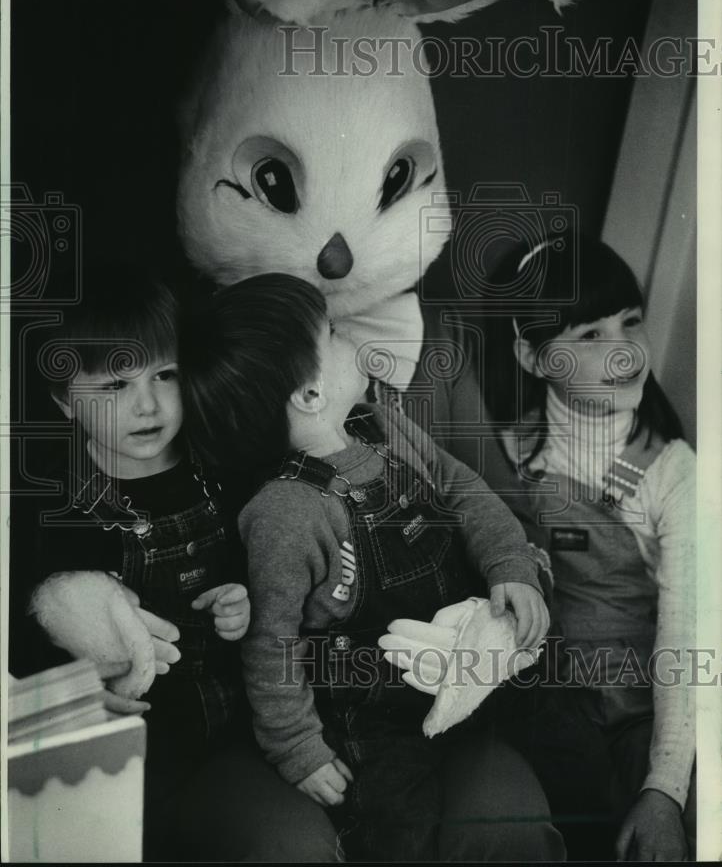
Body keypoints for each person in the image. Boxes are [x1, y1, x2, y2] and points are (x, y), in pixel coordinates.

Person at [180, 271, 565, 863]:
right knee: (399, 831)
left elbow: (460, 487)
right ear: (309, 395)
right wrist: (296, 747)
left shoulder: (377, 423)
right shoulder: (287, 511)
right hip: (373, 721)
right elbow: (269, 641)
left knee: (564, 735)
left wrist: (509, 564)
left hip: (464, 669)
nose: (348, 334)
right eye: (332, 333)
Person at [11, 269, 340, 862]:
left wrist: (242, 596)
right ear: (64, 400)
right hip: (105, 755)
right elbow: (26, 637)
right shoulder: (49, 507)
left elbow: (273, 571)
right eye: (114, 386)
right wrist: (76, 686)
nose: (147, 404)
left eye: (164, 375)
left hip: (226, 744)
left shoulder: (221, 469)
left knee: (298, 848)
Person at [476, 233, 696, 861]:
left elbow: (686, 640)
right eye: (590, 336)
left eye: (631, 322)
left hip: (642, 714)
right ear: (533, 355)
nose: (625, 353)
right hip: (545, 707)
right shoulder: (507, 450)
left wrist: (664, 792)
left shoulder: (672, 472)